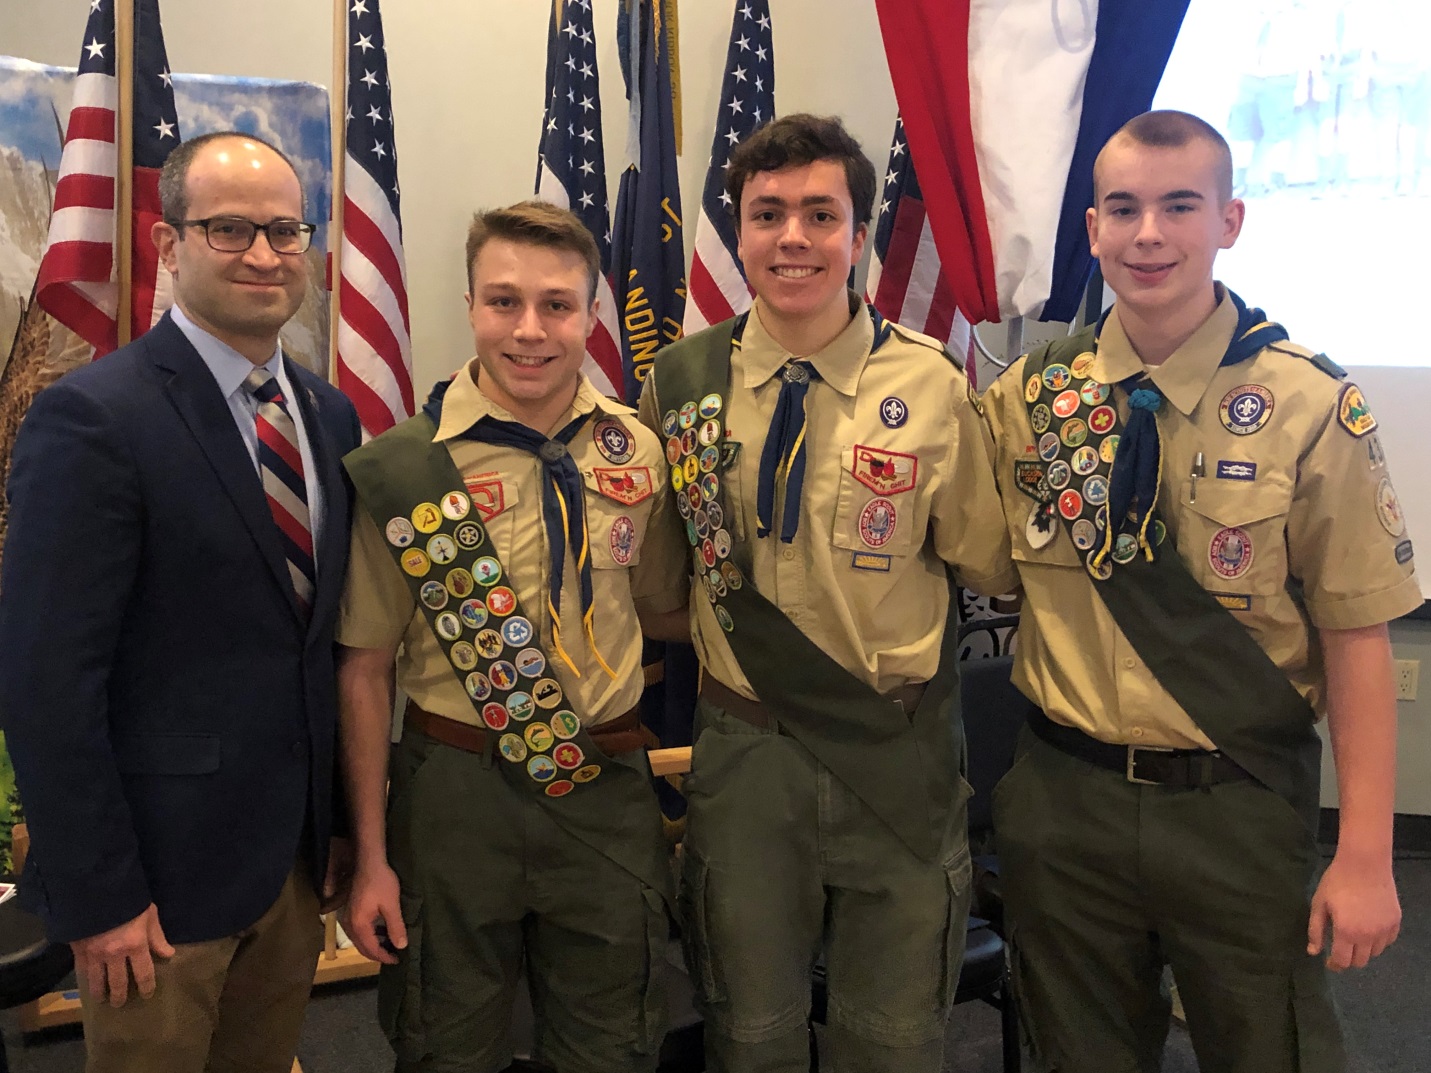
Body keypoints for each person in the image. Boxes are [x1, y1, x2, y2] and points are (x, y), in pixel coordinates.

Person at [981, 109, 1420, 1073]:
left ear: (1228, 221)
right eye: (1123, 208)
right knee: (1078, 1050)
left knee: (1269, 1047)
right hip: (1065, 794)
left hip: (1234, 798)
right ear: (1091, 226)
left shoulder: (1306, 402)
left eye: (1179, 205)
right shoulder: (1026, 402)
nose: (1148, 234)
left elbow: (1355, 635)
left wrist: (1364, 854)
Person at [637, 114, 1017, 1073]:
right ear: (741, 232)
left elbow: (986, 566)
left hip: (895, 746)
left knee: (891, 1039)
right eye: (767, 215)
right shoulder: (680, 382)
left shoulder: (929, 385)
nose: (793, 238)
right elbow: (660, 589)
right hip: (744, 754)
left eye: (820, 213)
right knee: (749, 1031)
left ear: (858, 235)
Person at [0, 131, 360, 1073]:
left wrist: (341, 828)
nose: (263, 253)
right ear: (169, 245)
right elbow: (46, 682)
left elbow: (312, 646)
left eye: (285, 230)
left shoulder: (328, 416)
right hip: (153, 892)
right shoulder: (93, 417)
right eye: (229, 228)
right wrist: (100, 895)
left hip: (289, 867)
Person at [337, 200, 687, 1073]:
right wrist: (371, 856)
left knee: (614, 1039)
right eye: (503, 302)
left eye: (557, 305)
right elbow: (365, 668)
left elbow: (662, 608)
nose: (529, 330)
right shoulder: (407, 465)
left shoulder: (636, 451)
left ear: (591, 312)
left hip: (601, 783)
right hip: (455, 790)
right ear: (469, 307)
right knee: (444, 1039)